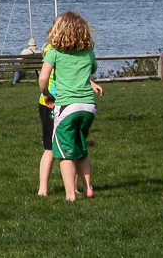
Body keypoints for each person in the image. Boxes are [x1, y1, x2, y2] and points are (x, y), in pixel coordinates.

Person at [39, 11, 104, 201]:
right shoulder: (88, 52)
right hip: (88, 107)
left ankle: (70, 194)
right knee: (81, 147)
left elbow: (43, 78)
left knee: (64, 153)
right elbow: (89, 72)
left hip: (67, 107)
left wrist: (46, 94)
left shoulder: (54, 53)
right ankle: (88, 187)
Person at [36, 40, 57, 196]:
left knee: (73, 146)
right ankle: (43, 189)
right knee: (49, 148)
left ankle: (75, 187)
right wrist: (47, 95)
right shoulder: (52, 50)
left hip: (67, 101)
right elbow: (44, 78)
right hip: (49, 102)